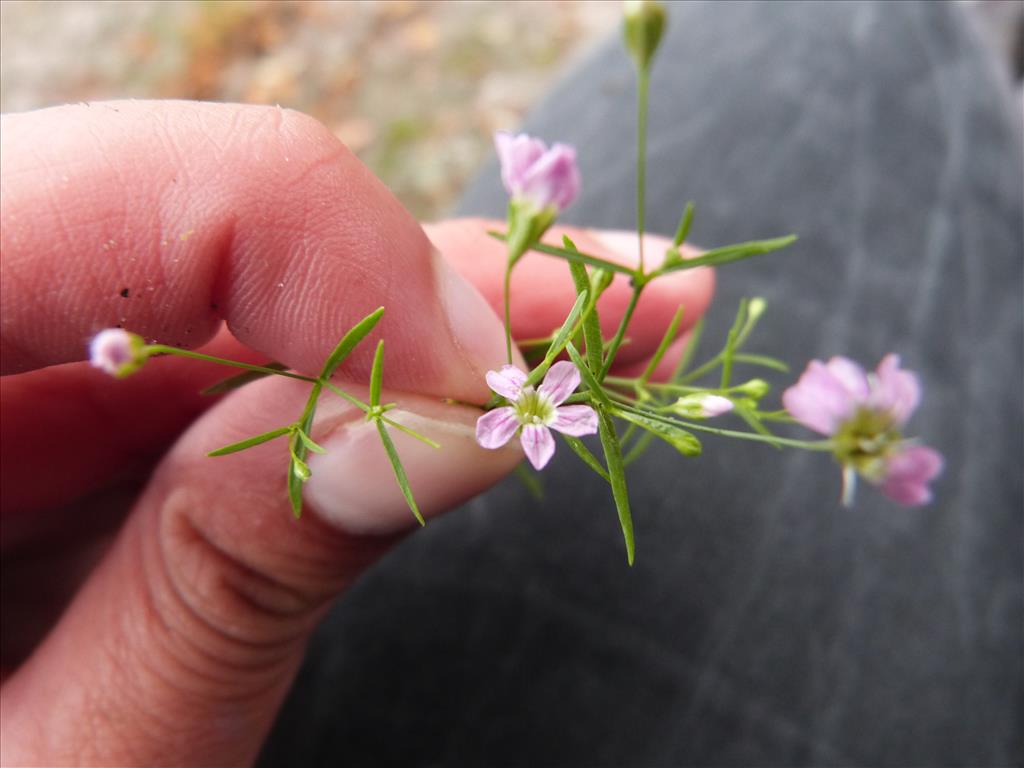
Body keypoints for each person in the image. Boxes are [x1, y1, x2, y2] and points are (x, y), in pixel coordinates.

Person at [1, 3, 1019, 767]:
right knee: (859, 26)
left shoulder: (541, 395)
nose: (532, 402)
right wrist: (222, 570)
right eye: (869, 439)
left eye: (868, 442)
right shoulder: (522, 399)